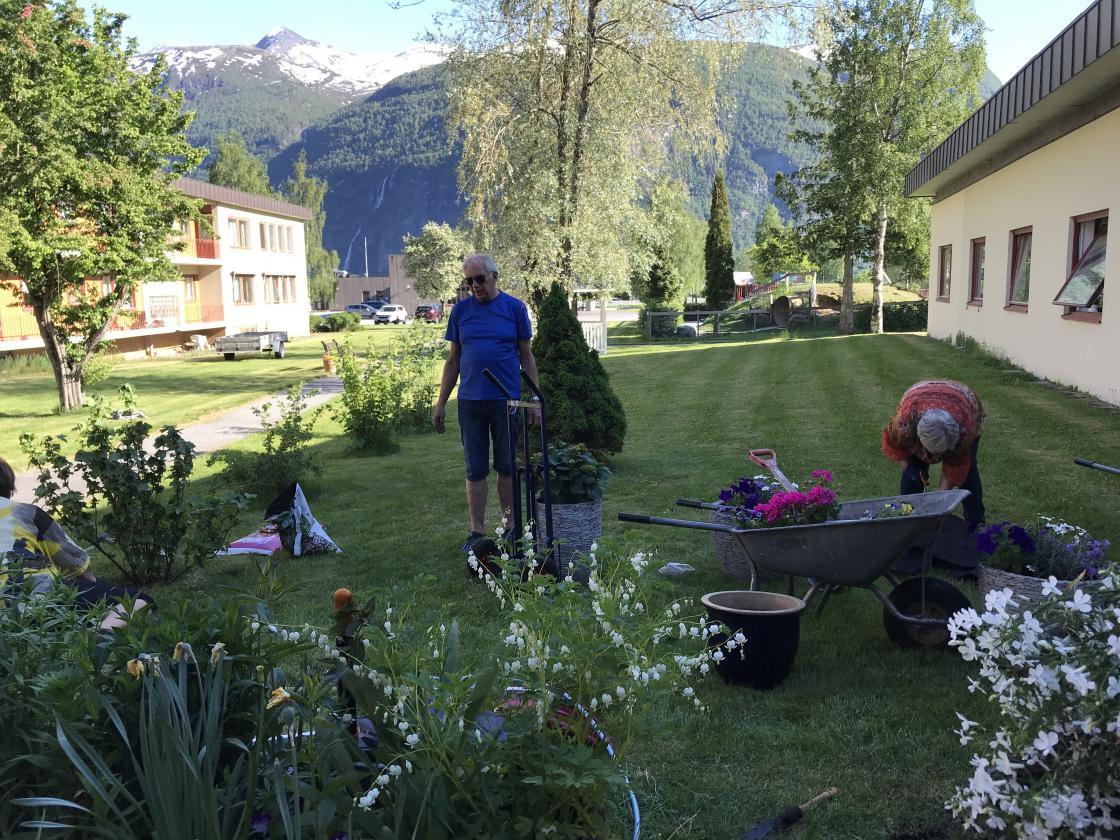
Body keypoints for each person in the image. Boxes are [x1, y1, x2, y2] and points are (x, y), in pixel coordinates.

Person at [432, 254, 540, 551]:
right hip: (470, 402)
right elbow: (453, 360)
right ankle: (477, 533)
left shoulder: (515, 309)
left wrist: (535, 399)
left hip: (506, 401)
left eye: (479, 279)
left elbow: (526, 356)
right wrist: (441, 402)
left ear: (494, 276)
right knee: (475, 468)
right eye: (468, 281)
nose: (474, 286)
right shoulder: (461, 312)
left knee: (506, 465)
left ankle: (509, 527)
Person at [0, 456, 152, 629]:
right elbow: (79, 565)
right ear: (8, 485)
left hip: (8, 621)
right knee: (140, 602)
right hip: (41, 599)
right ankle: (101, 631)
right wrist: (94, 586)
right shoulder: (25, 513)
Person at [882, 379, 985, 529]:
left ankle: (976, 523)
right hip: (919, 396)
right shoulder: (905, 421)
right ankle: (908, 520)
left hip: (964, 401)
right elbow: (895, 447)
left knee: (968, 474)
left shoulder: (965, 430)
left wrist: (939, 505)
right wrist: (911, 469)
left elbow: (954, 469)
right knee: (914, 469)